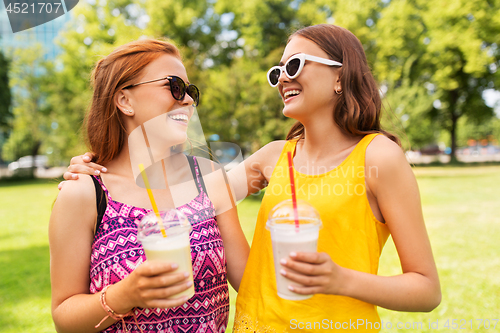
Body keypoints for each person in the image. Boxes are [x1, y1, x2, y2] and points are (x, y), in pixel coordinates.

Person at [62, 24, 441, 332]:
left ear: (340, 76)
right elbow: (184, 195)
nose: (281, 79)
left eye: (294, 66)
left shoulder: (370, 156)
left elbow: (426, 290)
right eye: (278, 71)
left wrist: (340, 279)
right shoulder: (274, 158)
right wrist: (95, 166)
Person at [49, 38, 249, 333]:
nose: (188, 100)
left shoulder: (209, 178)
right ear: (125, 100)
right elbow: (64, 319)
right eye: (175, 86)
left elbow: (250, 281)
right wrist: (125, 295)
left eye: (190, 91)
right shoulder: (84, 194)